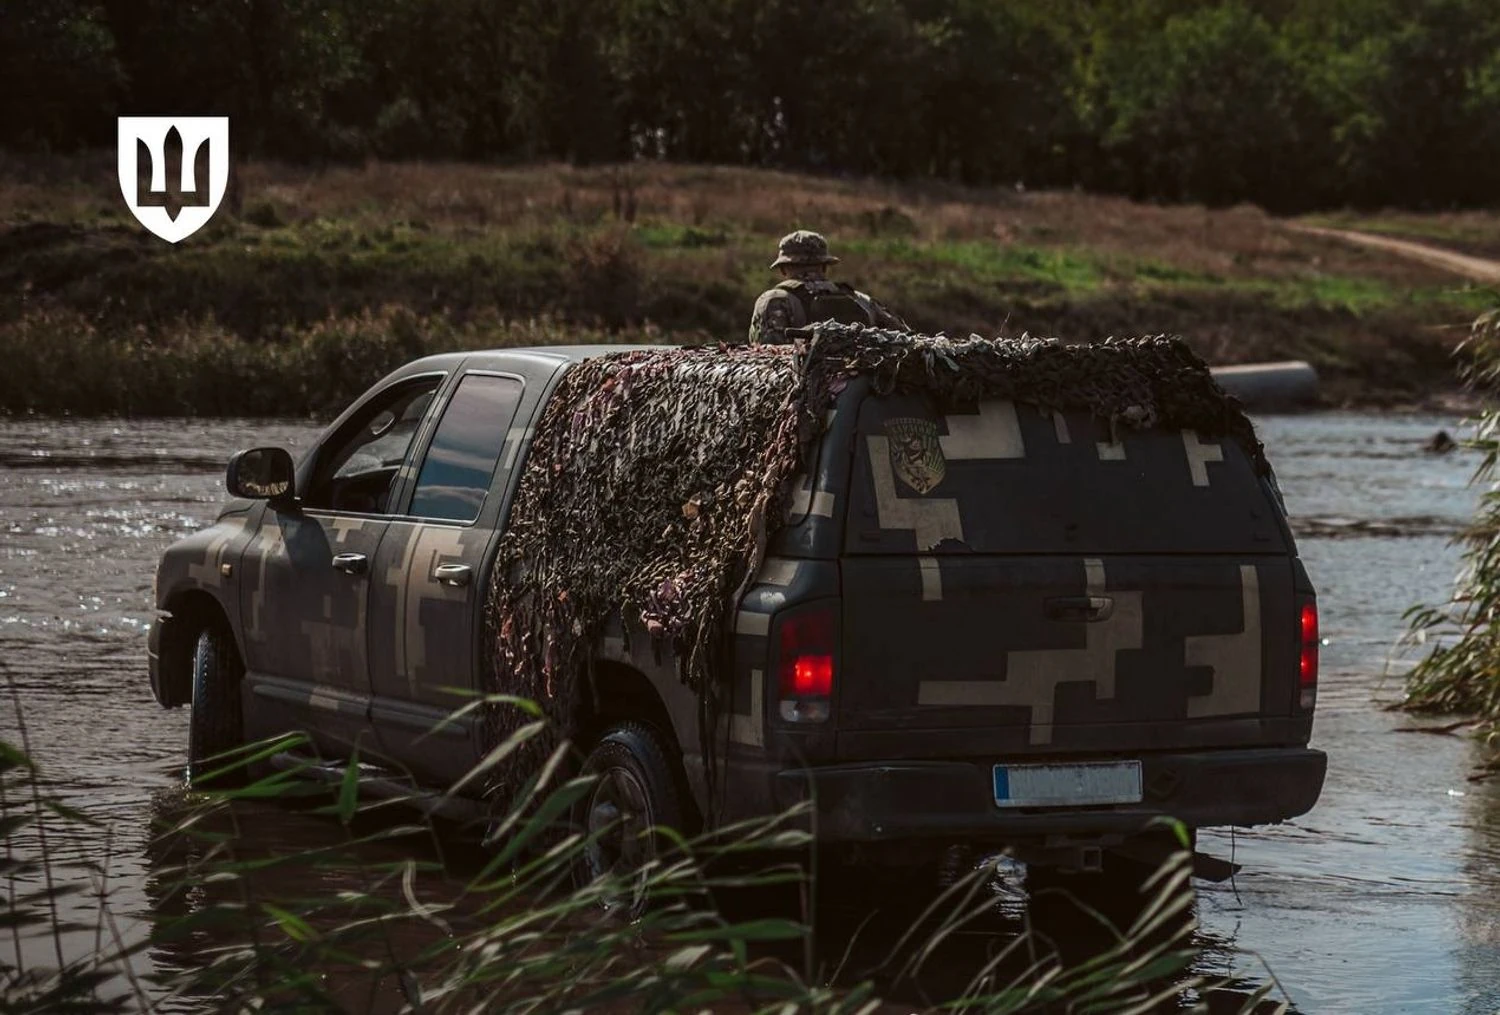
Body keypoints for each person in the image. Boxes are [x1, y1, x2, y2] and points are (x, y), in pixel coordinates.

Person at [747, 230, 907, 345]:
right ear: (824, 266)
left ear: (783, 269)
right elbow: (905, 337)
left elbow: (764, 354)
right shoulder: (861, 300)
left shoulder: (774, 300)